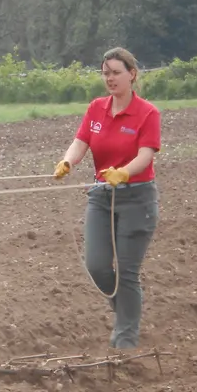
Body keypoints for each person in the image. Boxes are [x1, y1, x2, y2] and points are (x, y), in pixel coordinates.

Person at [53, 47, 161, 350]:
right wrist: (67, 162)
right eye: (106, 73)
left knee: (126, 272)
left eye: (116, 72)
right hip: (102, 196)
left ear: (132, 74)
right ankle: (125, 308)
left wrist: (124, 173)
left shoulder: (147, 113)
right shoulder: (96, 108)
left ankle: (125, 341)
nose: (110, 78)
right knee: (97, 266)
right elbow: (81, 142)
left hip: (137, 199)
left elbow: (146, 155)